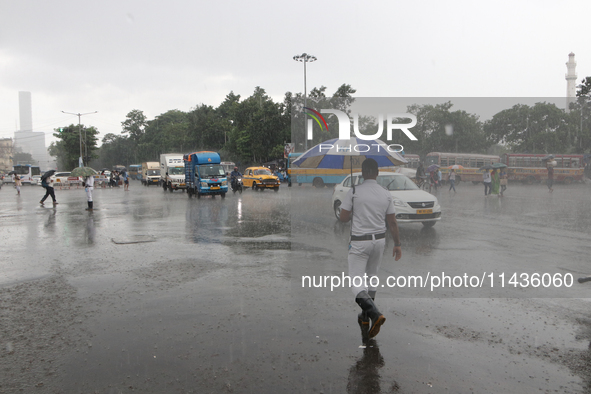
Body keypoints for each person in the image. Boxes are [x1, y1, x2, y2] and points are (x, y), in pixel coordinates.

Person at [339, 158, 402, 339]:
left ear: (362, 172)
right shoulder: (385, 193)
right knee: (372, 277)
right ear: (377, 172)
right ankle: (365, 316)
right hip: (379, 241)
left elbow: (343, 218)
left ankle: (374, 313)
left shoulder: (354, 191)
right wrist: (397, 244)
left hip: (359, 242)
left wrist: (354, 206)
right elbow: (392, 222)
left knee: (356, 282)